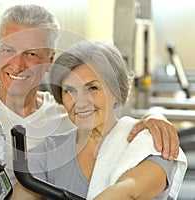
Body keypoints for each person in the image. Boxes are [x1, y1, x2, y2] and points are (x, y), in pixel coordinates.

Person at [0, 4, 180, 199]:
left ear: (48, 61)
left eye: (31, 54)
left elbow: (116, 125)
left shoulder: (62, 117)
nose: (16, 64)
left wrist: (154, 116)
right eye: (7, 50)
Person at [11, 40, 187, 199]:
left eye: (92, 88)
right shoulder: (48, 152)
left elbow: (129, 193)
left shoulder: (151, 142)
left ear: (116, 91)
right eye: (69, 91)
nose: (80, 102)